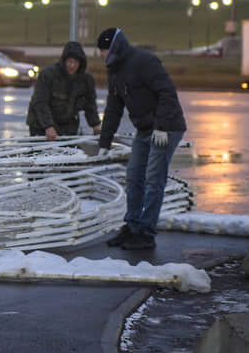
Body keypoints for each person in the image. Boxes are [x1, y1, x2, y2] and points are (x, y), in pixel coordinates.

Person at [96, 27, 186, 250]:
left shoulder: (144, 61)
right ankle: (132, 226)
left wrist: (162, 127)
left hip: (166, 128)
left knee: (153, 179)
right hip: (145, 129)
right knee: (134, 176)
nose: (101, 55)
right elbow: (113, 107)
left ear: (114, 47)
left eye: (104, 50)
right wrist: (104, 142)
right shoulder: (113, 69)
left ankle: (146, 233)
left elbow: (167, 93)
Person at [26, 40, 101, 140]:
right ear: (64, 60)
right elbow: (40, 102)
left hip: (68, 126)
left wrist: (95, 124)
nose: (72, 65)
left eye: (76, 62)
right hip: (40, 125)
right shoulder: (48, 74)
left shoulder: (86, 79)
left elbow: (90, 104)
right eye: (70, 61)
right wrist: (48, 126)